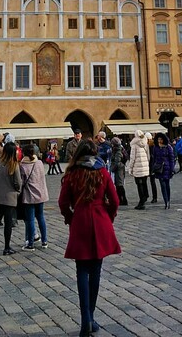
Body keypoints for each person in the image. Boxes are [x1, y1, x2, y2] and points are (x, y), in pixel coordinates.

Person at [58, 139, 120, 337]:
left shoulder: (73, 172)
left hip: (80, 221)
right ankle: (90, 317)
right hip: (100, 220)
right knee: (96, 271)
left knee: (81, 271)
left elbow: (62, 202)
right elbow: (115, 200)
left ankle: (86, 318)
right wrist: (108, 216)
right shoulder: (101, 171)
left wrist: (70, 217)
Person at [19, 143, 49, 250]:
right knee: (41, 217)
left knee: (30, 219)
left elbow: (21, 182)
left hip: (29, 196)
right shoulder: (40, 163)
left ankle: (30, 243)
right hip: (41, 194)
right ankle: (44, 241)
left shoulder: (22, 166)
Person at [151, 133, 176, 209]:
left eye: (161, 139)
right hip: (159, 169)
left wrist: (172, 169)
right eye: (158, 139)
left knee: (167, 185)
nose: (160, 141)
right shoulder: (155, 148)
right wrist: (154, 168)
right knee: (162, 185)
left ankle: (168, 200)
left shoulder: (168, 147)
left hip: (167, 168)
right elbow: (154, 159)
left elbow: (172, 159)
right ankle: (166, 202)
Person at [129, 129, 150, 210]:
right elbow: (148, 156)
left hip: (137, 168)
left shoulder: (134, 145)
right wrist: (147, 164)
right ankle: (145, 196)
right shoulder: (145, 143)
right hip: (145, 167)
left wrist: (130, 168)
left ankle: (141, 202)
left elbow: (132, 158)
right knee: (144, 183)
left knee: (139, 184)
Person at [110, 137, 128, 205]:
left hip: (119, 169)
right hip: (119, 169)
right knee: (118, 185)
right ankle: (120, 199)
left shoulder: (118, 150)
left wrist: (113, 168)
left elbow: (117, 162)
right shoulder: (117, 149)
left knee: (119, 185)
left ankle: (123, 199)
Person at [146, 132, 159, 203]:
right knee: (152, 182)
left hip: (152, 167)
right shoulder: (148, 146)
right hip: (149, 166)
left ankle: (155, 197)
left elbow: (153, 158)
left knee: (152, 182)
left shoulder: (152, 147)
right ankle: (152, 196)